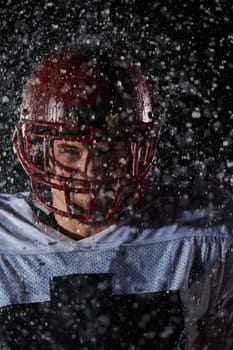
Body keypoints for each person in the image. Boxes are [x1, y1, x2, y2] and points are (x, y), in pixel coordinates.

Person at [0, 42, 232, 350]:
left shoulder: (205, 238)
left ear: (138, 151)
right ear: (36, 152)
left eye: (109, 150)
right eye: (70, 150)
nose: (91, 171)